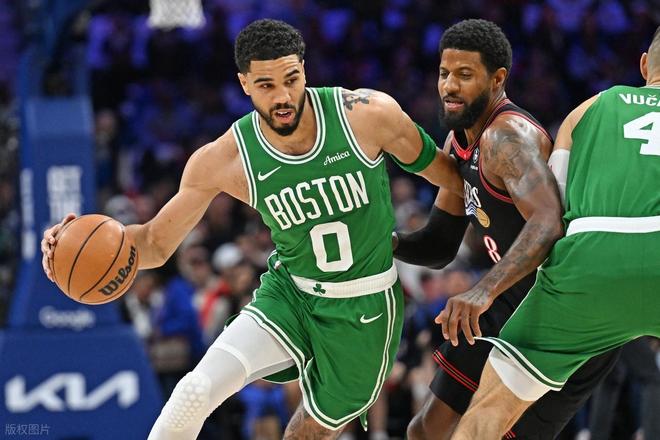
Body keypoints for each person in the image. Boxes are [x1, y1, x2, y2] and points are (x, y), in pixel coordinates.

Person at [41, 19, 462, 439]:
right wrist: (76, 248)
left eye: (291, 79)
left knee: (305, 434)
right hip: (291, 294)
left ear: (304, 70)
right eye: (265, 85)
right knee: (194, 391)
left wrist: (473, 226)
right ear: (244, 83)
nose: (282, 96)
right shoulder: (225, 158)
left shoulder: (367, 116)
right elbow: (152, 243)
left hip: (365, 305)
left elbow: (455, 179)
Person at [393, 19, 620, 440]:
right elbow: (439, 244)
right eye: (444, 73)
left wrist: (482, 290)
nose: (449, 86)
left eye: (464, 75)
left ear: (497, 79)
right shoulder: (459, 141)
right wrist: (381, 242)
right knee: (425, 431)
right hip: (508, 297)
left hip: (562, 306)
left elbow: (547, 222)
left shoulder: (507, 137)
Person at [450, 25, 660, 440]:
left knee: (490, 407)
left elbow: (554, 209)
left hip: (591, 262)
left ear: (643, 66)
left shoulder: (587, 110)